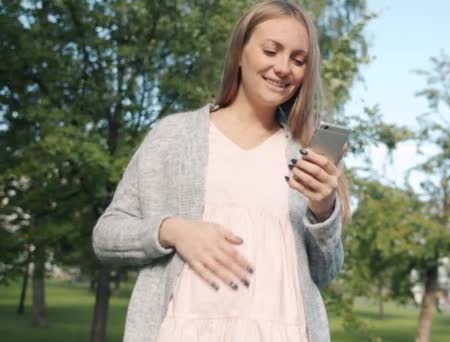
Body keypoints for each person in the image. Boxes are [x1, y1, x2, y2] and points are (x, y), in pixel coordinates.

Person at [92, 1, 350, 341]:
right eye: (271, 50)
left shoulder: (305, 153)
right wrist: (172, 231)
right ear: (240, 53)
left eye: (298, 60)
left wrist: (322, 209)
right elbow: (107, 236)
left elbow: (325, 273)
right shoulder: (174, 135)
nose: (283, 67)